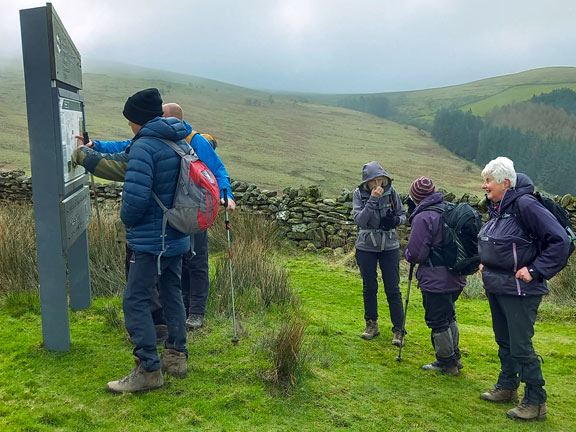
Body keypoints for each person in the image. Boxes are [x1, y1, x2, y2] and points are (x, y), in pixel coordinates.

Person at [74, 103, 235, 333]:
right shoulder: (153, 139)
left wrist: (226, 194)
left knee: (196, 260)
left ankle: (196, 312)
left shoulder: (195, 141)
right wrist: (96, 145)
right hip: (173, 211)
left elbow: (218, 169)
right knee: (178, 265)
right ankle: (179, 316)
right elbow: (126, 147)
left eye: (162, 117)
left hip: (194, 208)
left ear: (174, 120)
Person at [106, 88, 190, 393]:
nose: (129, 125)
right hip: (178, 235)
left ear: (138, 119)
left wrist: (127, 221)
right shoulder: (176, 139)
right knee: (172, 293)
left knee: (135, 299)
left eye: (130, 120)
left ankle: (148, 370)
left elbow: (137, 198)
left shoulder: (145, 146)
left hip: (152, 240)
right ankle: (176, 356)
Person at [478, 156, 569, 421]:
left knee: (520, 345)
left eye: (488, 181)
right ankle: (507, 387)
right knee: (504, 340)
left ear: (505, 182)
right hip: (498, 284)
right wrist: (488, 262)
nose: (484, 186)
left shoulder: (525, 204)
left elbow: (559, 241)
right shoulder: (499, 207)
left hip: (521, 289)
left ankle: (536, 401)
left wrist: (534, 270)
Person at [404, 177, 465, 376]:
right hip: (456, 275)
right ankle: (455, 356)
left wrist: (407, 254)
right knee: (449, 315)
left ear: (415, 197)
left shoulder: (424, 217)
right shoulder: (448, 209)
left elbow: (416, 253)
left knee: (438, 320)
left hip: (435, 278)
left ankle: (447, 362)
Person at [352, 161, 406, 345]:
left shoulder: (393, 193)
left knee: (393, 288)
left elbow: (403, 215)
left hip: (389, 247)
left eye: (380, 180)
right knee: (369, 286)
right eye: (373, 182)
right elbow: (360, 220)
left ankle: (399, 330)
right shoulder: (359, 194)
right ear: (366, 182)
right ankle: (371, 325)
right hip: (366, 247)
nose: (377, 185)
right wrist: (373, 200)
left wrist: (395, 221)